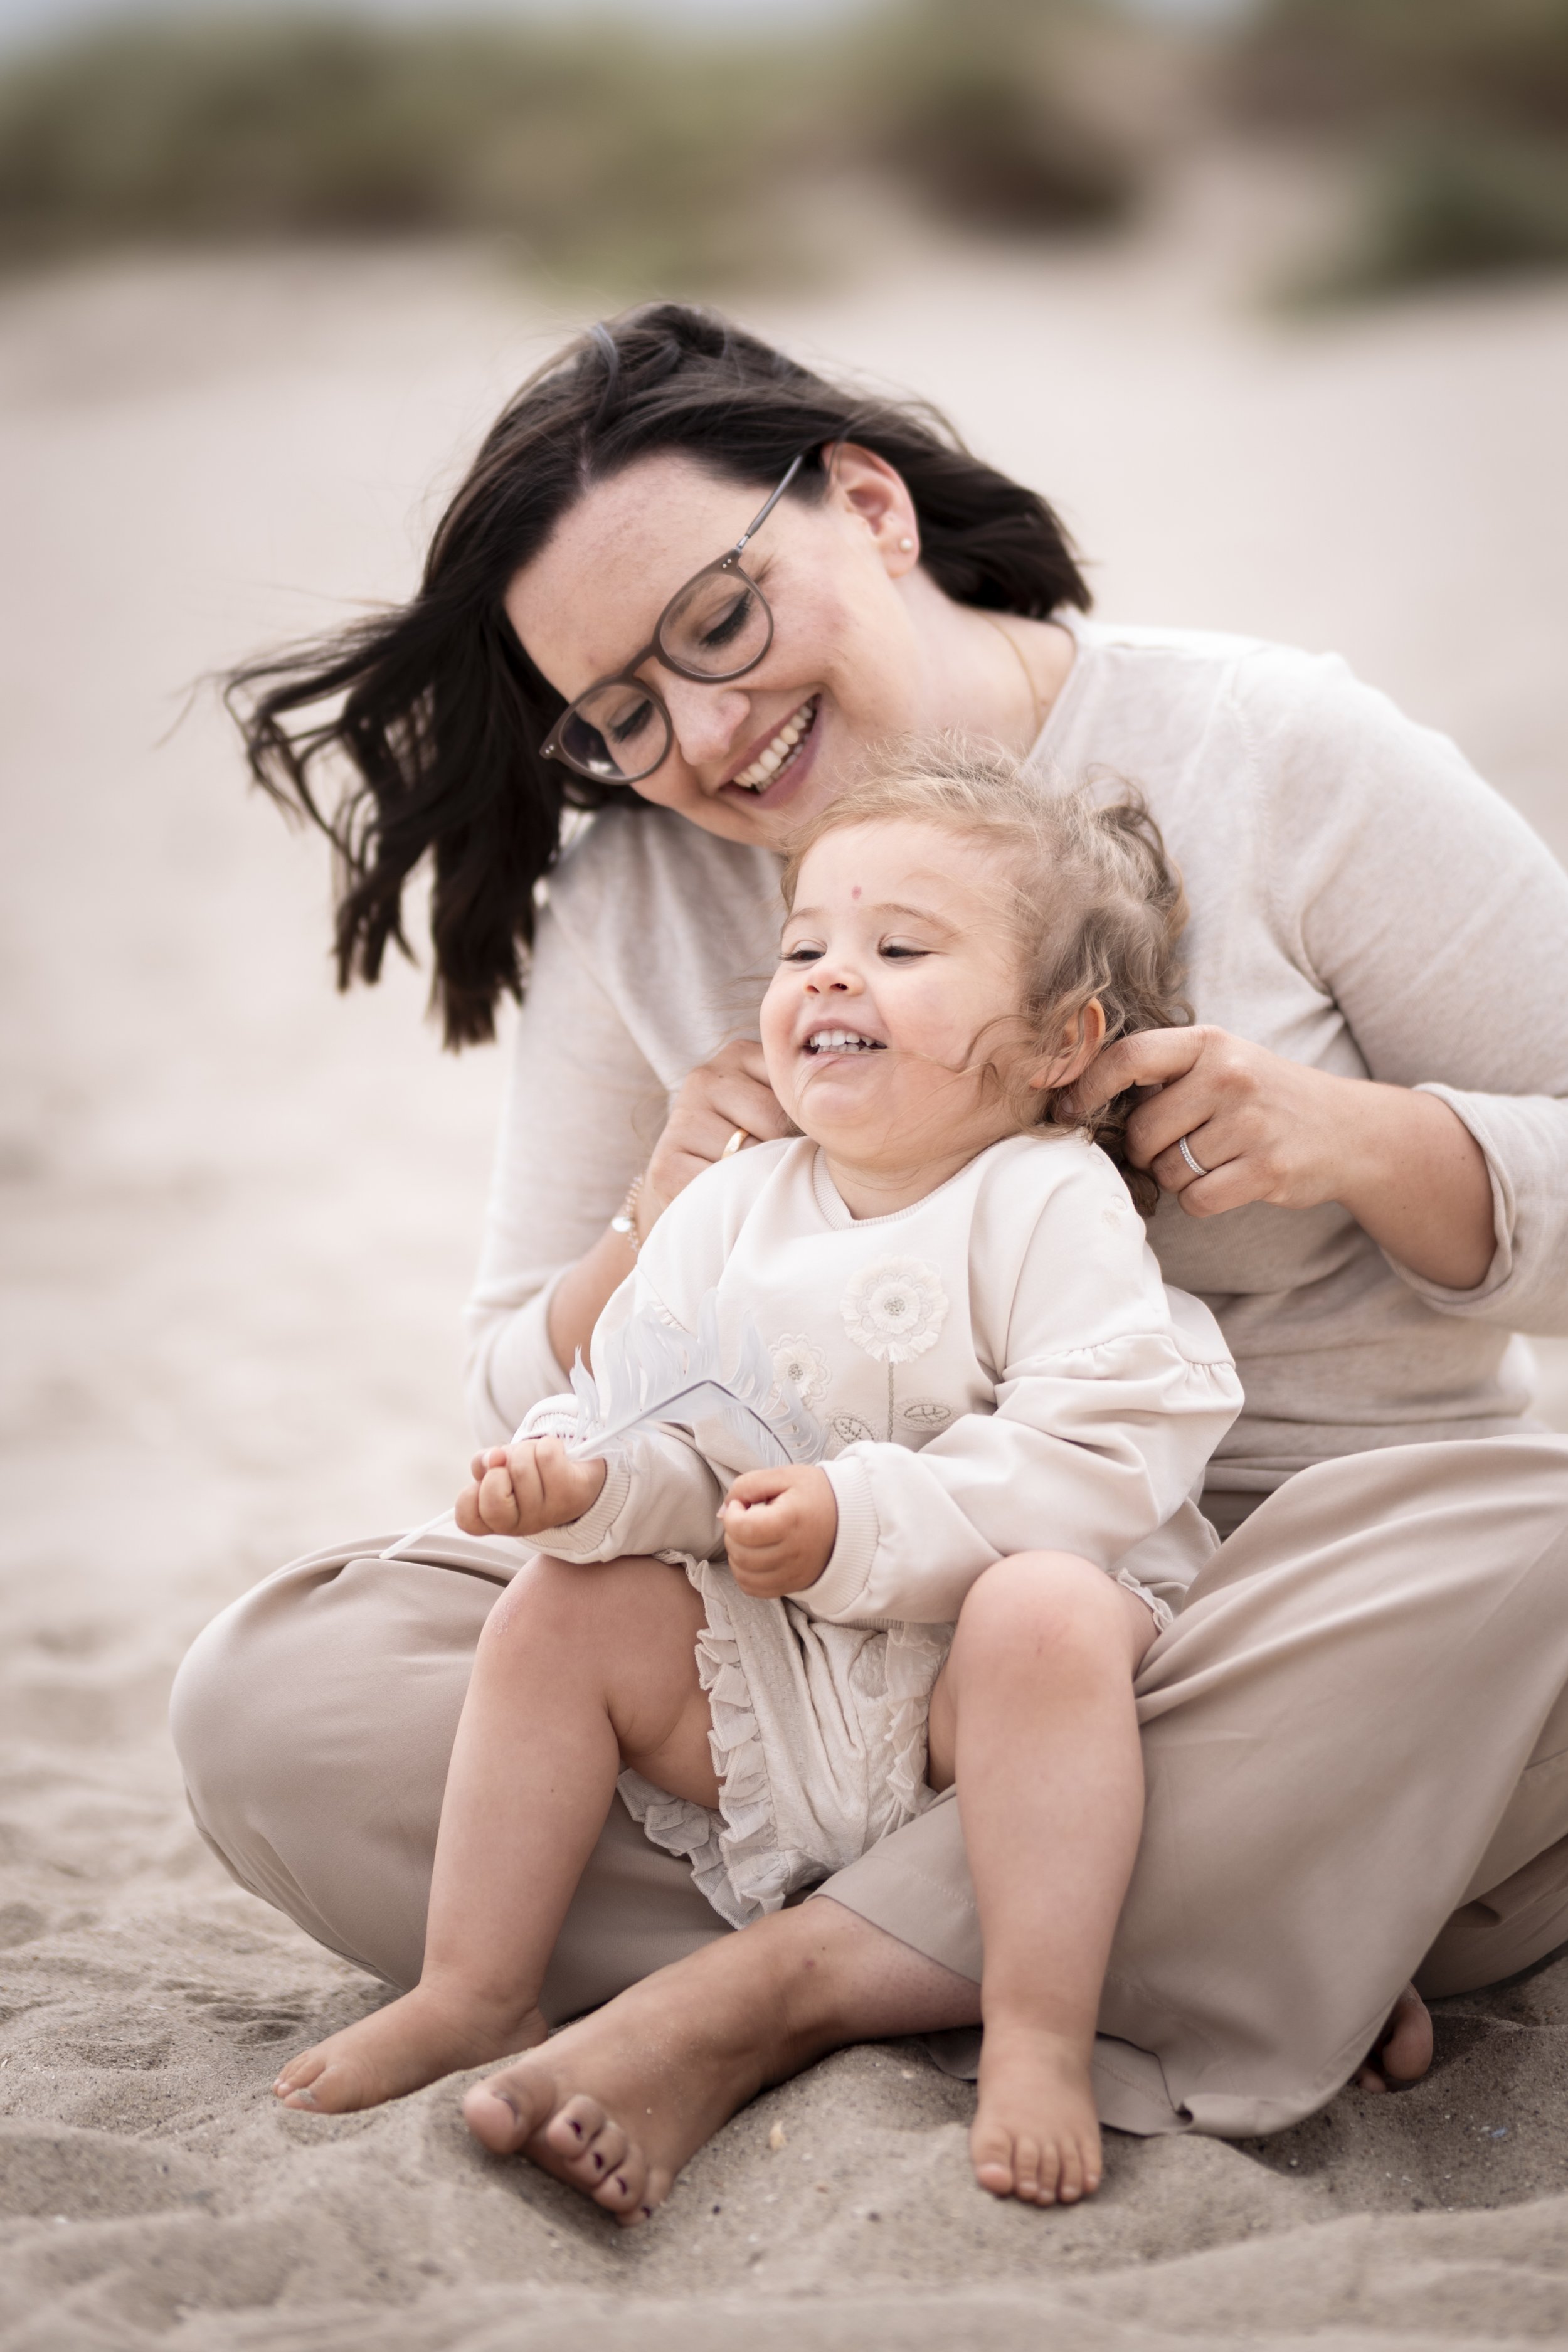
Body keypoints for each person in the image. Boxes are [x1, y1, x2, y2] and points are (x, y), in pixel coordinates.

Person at [171, 303, 1568, 2229]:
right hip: (817, 1653)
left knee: (1540, 1554)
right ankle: (1198, 1925)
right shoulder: (636, 904)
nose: (708, 734)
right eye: (621, 716)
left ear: (867, 504)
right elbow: (520, 1379)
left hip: (1277, 1613)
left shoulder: (1272, 749)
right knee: (275, 1695)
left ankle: (797, 1979)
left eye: (721, 622)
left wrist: (1378, 1145)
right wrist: (644, 1225)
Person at [267, 756, 1244, 2212]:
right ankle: (477, 1984)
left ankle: (1036, 2031)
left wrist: (860, 1520)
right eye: (804, 949)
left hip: (992, 1707)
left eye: (900, 950)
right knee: (564, 1604)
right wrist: (585, 1485)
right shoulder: (729, 1204)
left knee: (1044, 1610)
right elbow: (669, 1434)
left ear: (1058, 1040)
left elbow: (1102, 1450)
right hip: (791, 1688)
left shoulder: (1045, 1200)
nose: (831, 975)